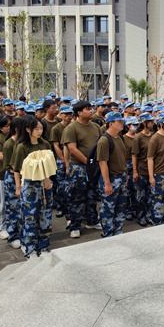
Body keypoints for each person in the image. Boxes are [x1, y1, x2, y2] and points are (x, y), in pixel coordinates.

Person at [13, 116, 54, 258]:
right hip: (30, 185)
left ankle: (44, 246)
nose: (39, 131)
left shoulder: (45, 144)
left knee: (46, 217)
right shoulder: (22, 147)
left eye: (41, 128)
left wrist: (47, 178)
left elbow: (50, 165)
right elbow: (17, 169)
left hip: (45, 185)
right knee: (30, 218)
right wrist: (18, 187)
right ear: (28, 130)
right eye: (36, 129)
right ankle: (30, 248)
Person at [61, 101, 102, 238]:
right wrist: (88, 163)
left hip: (93, 167)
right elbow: (72, 149)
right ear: (79, 112)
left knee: (92, 195)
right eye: (87, 109)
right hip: (78, 167)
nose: (91, 111)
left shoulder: (96, 127)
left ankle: (92, 220)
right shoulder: (71, 128)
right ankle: (75, 225)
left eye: (91, 109)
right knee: (76, 197)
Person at [97, 112, 128, 237]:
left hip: (121, 177)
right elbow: (102, 163)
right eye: (119, 122)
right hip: (111, 178)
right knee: (108, 208)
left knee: (121, 206)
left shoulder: (120, 137)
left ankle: (118, 229)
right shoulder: (104, 140)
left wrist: (125, 174)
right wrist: (107, 183)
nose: (122, 123)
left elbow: (122, 157)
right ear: (111, 124)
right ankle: (108, 233)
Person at [49, 105, 73, 219]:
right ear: (61, 115)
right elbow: (56, 146)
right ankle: (60, 207)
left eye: (70, 114)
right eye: (66, 114)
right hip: (61, 158)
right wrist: (63, 159)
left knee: (71, 184)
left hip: (72, 158)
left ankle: (70, 207)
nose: (68, 116)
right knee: (61, 185)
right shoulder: (56, 128)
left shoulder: (73, 126)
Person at [2, 118, 22, 249]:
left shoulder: (21, 142)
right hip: (12, 179)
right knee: (13, 208)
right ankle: (13, 236)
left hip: (22, 176)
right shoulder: (9, 144)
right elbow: (10, 166)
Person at [132, 112, 155, 226]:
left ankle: (149, 215)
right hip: (142, 170)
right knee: (141, 195)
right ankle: (140, 216)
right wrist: (135, 171)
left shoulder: (153, 135)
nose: (153, 123)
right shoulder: (138, 138)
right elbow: (134, 155)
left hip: (153, 170)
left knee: (151, 195)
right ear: (145, 123)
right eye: (151, 121)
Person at [123, 116, 139, 221]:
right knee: (127, 189)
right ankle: (127, 210)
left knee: (136, 189)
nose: (136, 127)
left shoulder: (138, 137)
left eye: (137, 125)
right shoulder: (123, 138)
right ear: (128, 126)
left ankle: (134, 209)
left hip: (137, 164)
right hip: (127, 164)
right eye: (134, 125)